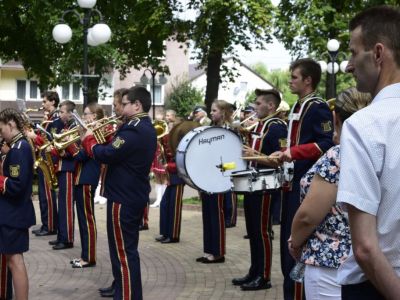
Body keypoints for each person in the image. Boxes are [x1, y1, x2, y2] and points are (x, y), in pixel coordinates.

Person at [335, 6, 400, 299]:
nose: (349, 65)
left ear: (377, 53)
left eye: (352, 52)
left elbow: (365, 247)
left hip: (377, 286)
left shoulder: (364, 125)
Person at [288, 88, 371, 299]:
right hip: (370, 261)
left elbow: (308, 217)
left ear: (336, 118)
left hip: (329, 265)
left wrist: (295, 242)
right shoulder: (380, 150)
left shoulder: (339, 155)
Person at [82, 86, 157, 300]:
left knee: (124, 252)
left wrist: (89, 140)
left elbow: (107, 154)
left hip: (124, 198)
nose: (121, 108)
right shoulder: (139, 126)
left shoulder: (134, 129)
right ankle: (121, 287)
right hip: (128, 195)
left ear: (137, 105)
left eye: (124, 104)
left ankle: (127, 295)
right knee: (120, 249)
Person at [272, 58, 334, 300]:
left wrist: (294, 153)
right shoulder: (299, 105)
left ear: (308, 80)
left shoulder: (317, 106)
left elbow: (326, 142)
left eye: (295, 77)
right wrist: (284, 151)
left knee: (297, 243)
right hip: (292, 180)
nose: (290, 80)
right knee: (287, 243)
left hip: (306, 183)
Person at [232, 89, 287, 290]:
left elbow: (279, 160)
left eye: (258, 104)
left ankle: (264, 277)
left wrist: (252, 155)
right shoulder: (261, 125)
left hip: (265, 186)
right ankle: (254, 271)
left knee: (263, 232)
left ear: (271, 106)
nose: (254, 107)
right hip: (252, 185)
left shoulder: (277, 127)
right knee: (253, 231)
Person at [0, 108, 36, 300]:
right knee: (11, 259)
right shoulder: (17, 147)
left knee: (15, 261)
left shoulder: (19, 149)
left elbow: (16, 185)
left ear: (11, 124)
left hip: (14, 214)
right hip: (12, 213)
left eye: (2, 129)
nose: (1, 133)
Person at [195, 100, 234, 264]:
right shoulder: (210, 129)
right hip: (208, 177)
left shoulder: (229, 131)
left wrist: (221, 169)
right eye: (211, 110)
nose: (211, 113)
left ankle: (218, 253)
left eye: (214, 110)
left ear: (223, 112)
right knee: (208, 215)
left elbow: (235, 159)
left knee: (216, 215)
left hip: (219, 178)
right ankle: (209, 250)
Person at [70, 103, 105, 268]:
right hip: (81, 177)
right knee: (83, 220)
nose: (84, 117)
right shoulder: (89, 131)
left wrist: (72, 145)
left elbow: (83, 155)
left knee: (87, 220)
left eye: (86, 114)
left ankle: (89, 257)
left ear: (95, 116)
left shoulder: (98, 131)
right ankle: (85, 255)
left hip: (87, 178)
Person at [31, 91, 63, 237]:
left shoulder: (55, 119)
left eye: (44, 102)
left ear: (53, 102)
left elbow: (51, 141)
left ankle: (50, 226)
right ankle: (47, 224)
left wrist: (34, 137)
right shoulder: (49, 118)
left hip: (49, 160)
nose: (42, 105)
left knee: (47, 196)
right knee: (44, 195)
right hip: (44, 158)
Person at [48, 100, 77, 250]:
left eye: (62, 112)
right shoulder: (67, 126)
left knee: (66, 205)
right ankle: (61, 235)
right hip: (62, 167)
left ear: (70, 113)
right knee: (62, 204)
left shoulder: (75, 127)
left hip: (68, 168)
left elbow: (73, 151)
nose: (60, 114)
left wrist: (58, 150)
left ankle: (67, 239)